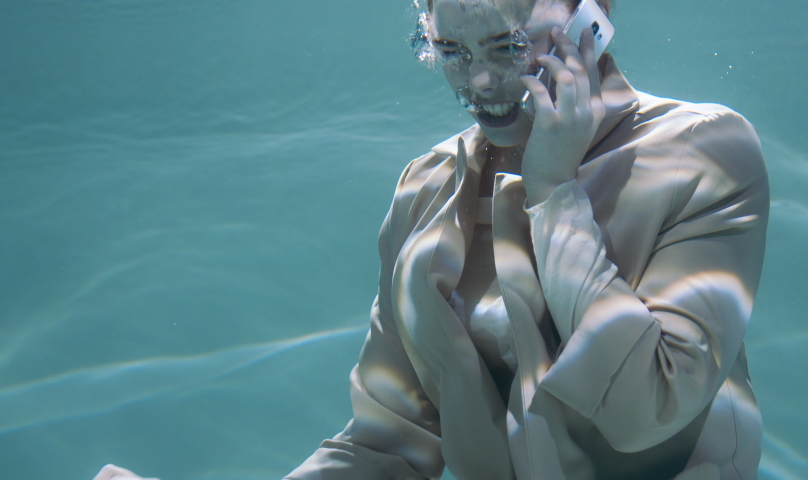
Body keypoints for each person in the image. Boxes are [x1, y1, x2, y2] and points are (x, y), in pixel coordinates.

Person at [95, 0, 768, 478]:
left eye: (507, 46)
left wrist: (555, 195)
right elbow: (388, 446)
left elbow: (650, 408)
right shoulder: (426, 190)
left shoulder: (702, 149)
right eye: (451, 50)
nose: (479, 83)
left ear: (591, 22)